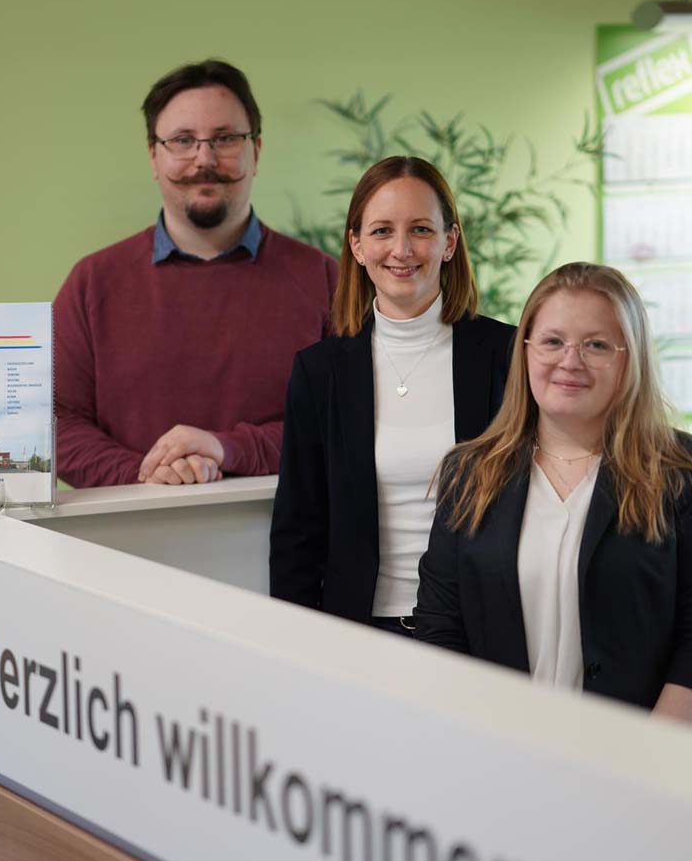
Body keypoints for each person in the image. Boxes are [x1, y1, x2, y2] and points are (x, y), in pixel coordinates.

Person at [414, 262, 692, 720]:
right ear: (525, 350)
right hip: (500, 740)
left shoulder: (679, 473)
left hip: (641, 748)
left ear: (630, 358)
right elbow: (440, 625)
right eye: (552, 341)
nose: (570, 361)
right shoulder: (469, 474)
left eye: (596, 345)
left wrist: (651, 746)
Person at [54, 59, 337, 488]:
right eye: (183, 140)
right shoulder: (92, 283)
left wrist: (227, 448)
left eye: (225, 138)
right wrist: (146, 475)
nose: (205, 159)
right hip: (128, 526)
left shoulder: (324, 278)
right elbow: (56, 419)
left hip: (284, 527)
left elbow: (345, 417)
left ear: (256, 151)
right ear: (154, 156)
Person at [269, 156, 515, 632]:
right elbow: (298, 531)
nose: (401, 249)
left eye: (420, 229)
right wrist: (293, 640)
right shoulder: (319, 372)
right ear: (357, 246)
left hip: (477, 628)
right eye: (382, 231)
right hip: (359, 630)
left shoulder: (507, 355)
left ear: (450, 242)